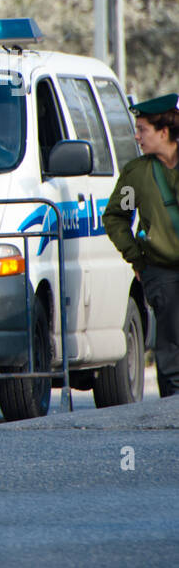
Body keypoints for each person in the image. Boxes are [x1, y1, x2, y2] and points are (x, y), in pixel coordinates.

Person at [104, 92, 179, 398]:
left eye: (142, 130)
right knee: (171, 342)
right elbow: (116, 217)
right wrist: (138, 259)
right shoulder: (137, 174)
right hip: (161, 271)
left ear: (164, 132)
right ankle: (172, 410)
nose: (136, 137)